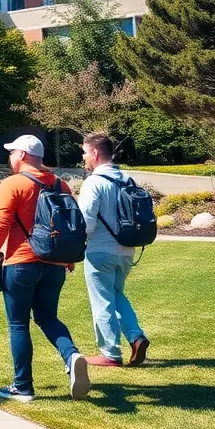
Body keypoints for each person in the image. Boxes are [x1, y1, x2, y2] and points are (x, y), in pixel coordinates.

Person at [0, 135, 90, 403]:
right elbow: (71, 225)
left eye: (12, 153)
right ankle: (72, 356)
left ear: (21, 155)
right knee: (48, 318)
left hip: (21, 262)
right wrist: (68, 257)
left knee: (18, 324)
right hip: (55, 264)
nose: (10, 158)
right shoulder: (61, 184)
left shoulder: (12, 184)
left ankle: (23, 386)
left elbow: (2, 224)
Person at [78, 132, 149, 367]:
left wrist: (76, 244)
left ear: (96, 153)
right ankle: (136, 336)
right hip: (127, 249)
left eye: (85, 152)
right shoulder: (127, 179)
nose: (84, 156)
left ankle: (110, 352)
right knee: (117, 295)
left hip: (100, 250)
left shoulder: (94, 182)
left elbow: (85, 221)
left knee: (102, 300)